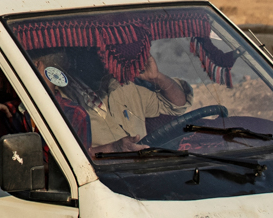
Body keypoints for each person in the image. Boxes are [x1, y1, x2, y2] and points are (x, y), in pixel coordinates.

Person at [36, 48, 189, 155]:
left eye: (106, 53)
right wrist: (114, 149)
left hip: (143, 177)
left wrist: (157, 77)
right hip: (100, 185)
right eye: (93, 51)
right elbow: (61, 156)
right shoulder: (60, 98)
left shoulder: (126, 87)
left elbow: (175, 105)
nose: (100, 59)